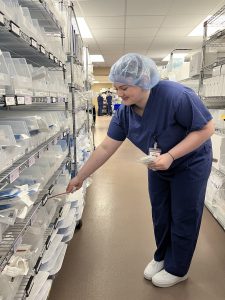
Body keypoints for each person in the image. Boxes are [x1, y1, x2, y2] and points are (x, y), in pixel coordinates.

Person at [67, 53, 214, 288]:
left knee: (184, 214)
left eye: (124, 88)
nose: (119, 93)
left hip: (189, 163)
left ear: (144, 80)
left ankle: (178, 268)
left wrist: (172, 155)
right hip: (157, 163)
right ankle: (162, 256)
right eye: (117, 88)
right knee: (160, 212)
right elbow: (106, 147)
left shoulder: (177, 96)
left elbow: (207, 128)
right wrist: (80, 177)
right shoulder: (124, 111)